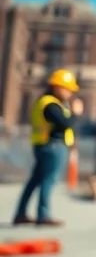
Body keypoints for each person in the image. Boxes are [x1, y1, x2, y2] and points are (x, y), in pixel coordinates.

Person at [13, 69, 83, 227]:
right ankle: (43, 215)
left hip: (44, 145)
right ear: (58, 87)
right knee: (48, 180)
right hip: (53, 146)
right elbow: (65, 123)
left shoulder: (45, 102)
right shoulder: (51, 105)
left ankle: (20, 214)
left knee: (35, 180)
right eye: (68, 89)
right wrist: (76, 113)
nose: (70, 93)